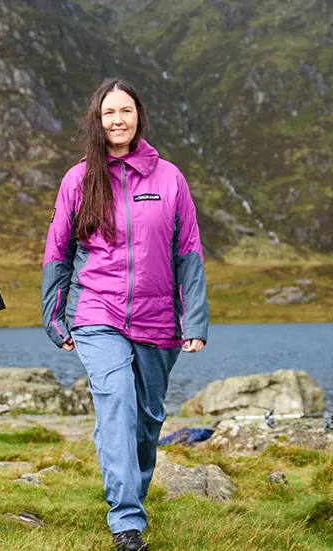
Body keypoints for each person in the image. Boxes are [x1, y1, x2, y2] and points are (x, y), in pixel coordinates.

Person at [41, 78, 209, 551]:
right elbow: (58, 251)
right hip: (98, 310)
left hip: (160, 320)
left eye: (126, 111)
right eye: (108, 112)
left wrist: (194, 320)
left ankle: (131, 495)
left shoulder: (170, 178)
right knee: (115, 402)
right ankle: (126, 523)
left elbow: (189, 252)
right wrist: (55, 318)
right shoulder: (79, 179)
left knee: (146, 421)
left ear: (139, 117)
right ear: (97, 120)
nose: (117, 120)